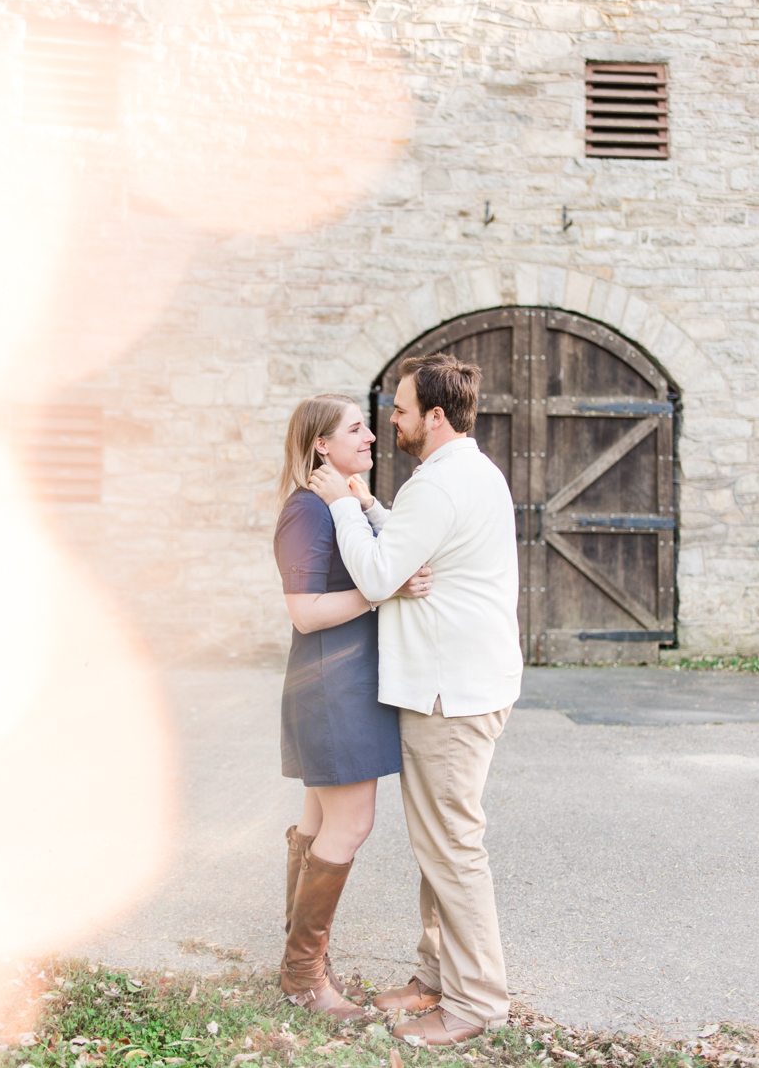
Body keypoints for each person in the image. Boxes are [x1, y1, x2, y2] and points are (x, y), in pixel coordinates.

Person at [308, 353, 523, 1047]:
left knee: (453, 847)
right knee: (439, 842)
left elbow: (376, 576)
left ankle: (475, 1001)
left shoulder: (438, 486)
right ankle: (435, 974)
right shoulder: (467, 472)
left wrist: (342, 502)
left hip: (447, 694)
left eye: (399, 410)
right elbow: (413, 542)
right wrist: (372, 506)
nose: (389, 421)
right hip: (469, 683)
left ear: (434, 415)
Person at [274, 393, 433, 1023]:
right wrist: (382, 593)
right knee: (351, 824)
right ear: (321, 445)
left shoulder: (340, 504)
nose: (371, 436)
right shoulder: (307, 513)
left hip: (349, 681)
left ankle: (301, 965)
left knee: (319, 822)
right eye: (355, 428)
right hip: (329, 686)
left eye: (370, 426)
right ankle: (304, 978)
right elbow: (306, 612)